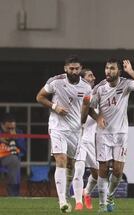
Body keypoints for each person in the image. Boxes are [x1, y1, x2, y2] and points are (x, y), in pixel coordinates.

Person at [84, 58, 134, 212]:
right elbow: (89, 107)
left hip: (121, 134)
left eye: (112, 68)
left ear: (119, 71)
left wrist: (131, 71)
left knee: (118, 171)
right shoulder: (99, 88)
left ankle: (110, 196)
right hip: (103, 135)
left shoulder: (125, 84)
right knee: (104, 169)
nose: (108, 71)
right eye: (107, 68)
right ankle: (102, 204)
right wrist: (98, 117)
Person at [36, 55, 92, 213]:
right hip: (57, 127)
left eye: (76, 68)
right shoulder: (56, 81)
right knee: (61, 159)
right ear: (65, 68)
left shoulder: (86, 87)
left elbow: (86, 107)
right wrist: (55, 107)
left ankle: (67, 194)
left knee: (71, 165)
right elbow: (39, 97)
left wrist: (84, 122)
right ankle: (62, 202)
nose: (73, 71)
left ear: (80, 69)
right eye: (71, 68)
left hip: (75, 130)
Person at [71, 68, 98, 211]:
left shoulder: (98, 95)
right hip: (79, 138)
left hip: (92, 141)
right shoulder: (77, 95)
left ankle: (86, 192)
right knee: (79, 169)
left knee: (97, 174)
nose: (94, 77)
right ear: (82, 79)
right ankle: (78, 202)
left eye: (93, 75)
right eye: (90, 75)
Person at [0, 113, 26, 196]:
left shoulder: (18, 132)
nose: (10, 130)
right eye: (8, 128)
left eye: (12, 128)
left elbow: (24, 150)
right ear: (2, 125)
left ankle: (14, 193)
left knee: (14, 160)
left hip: (9, 157)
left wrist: (16, 139)